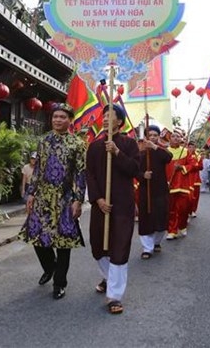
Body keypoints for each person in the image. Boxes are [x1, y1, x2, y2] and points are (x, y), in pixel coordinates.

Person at [19, 103, 86, 300]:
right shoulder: (44, 141)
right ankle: (50, 267)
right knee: (36, 236)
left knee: (63, 242)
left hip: (65, 198)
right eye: (55, 116)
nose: (58, 120)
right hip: (43, 196)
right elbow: (38, 170)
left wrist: (78, 200)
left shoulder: (78, 144)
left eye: (62, 117)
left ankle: (59, 283)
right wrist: (31, 193)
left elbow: (81, 174)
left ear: (70, 120)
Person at [86, 104, 140, 315]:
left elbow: (134, 170)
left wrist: (117, 152)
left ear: (120, 121)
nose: (106, 118)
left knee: (118, 248)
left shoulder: (129, 144)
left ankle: (114, 296)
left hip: (122, 204)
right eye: (104, 115)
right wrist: (98, 199)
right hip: (101, 204)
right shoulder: (95, 146)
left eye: (111, 115)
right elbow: (89, 174)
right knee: (98, 245)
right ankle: (110, 278)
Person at [137, 125, 172, 259]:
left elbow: (168, 158)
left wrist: (155, 147)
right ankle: (147, 248)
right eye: (150, 135)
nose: (152, 137)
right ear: (146, 137)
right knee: (145, 218)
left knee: (161, 217)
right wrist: (142, 175)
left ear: (158, 137)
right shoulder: (140, 154)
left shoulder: (161, 151)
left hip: (160, 190)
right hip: (146, 191)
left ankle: (156, 242)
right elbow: (134, 171)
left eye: (155, 135)